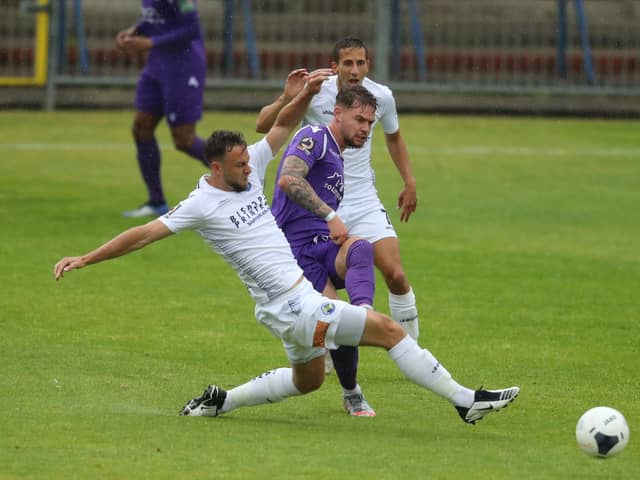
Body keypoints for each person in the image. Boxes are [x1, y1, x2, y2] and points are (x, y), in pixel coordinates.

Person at [53, 72, 519, 426]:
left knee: (307, 381)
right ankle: (465, 401)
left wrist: (302, 92)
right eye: (237, 166)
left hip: (286, 303)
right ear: (215, 168)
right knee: (390, 331)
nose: (249, 171)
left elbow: (279, 129)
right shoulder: (201, 204)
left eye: (246, 161)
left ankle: (220, 402)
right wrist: (88, 257)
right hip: (293, 304)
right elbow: (144, 234)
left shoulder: (250, 165)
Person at [256, 37, 421, 342]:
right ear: (334, 67)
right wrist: (288, 96)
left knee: (396, 274)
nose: (355, 69)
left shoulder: (381, 96)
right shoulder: (316, 92)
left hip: (363, 200)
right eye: (348, 63)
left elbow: (394, 137)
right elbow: (264, 125)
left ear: (368, 65)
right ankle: (325, 350)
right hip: (320, 204)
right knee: (320, 293)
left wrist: (409, 181)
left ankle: (411, 350)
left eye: (361, 63)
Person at [271, 86, 379, 417]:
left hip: (321, 245)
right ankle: (352, 393)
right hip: (294, 251)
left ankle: (364, 313)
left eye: (370, 123)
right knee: (335, 317)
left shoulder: (338, 156)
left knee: (360, 248)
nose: (365, 128)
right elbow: (289, 179)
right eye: (359, 119)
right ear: (338, 114)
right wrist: (330, 216)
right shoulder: (315, 137)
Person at [116, 0, 209, 218]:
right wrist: (134, 31)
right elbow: (155, 17)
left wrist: (150, 42)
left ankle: (240, 170)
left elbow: (191, 29)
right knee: (141, 128)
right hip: (157, 66)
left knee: (184, 141)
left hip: (183, 68)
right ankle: (156, 202)